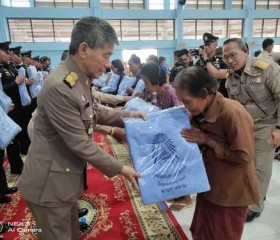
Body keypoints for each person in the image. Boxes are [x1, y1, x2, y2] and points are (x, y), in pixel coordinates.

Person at [18, 16, 144, 240]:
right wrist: (121, 168)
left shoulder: (78, 78)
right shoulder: (60, 86)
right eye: (105, 55)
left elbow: (95, 112)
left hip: (62, 181)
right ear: (84, 49)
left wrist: (133, 115)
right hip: (49, 187)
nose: (107, 64)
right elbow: (79, 141)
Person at [174, 66, 259, 240]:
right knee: (202, 231)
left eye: (187, 102)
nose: (186, 108)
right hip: (210, 184)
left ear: (204, 93)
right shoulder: (202, 111)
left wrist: (208, 141)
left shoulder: (232, 112)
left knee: (222, 234)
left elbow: (244, 156)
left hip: (231, 190)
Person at [223, 38, 280, 222]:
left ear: (245, 51)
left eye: (233, 55)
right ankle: (255, 194)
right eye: (226, 57)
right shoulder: (230, 78)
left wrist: (278, 128)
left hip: (267, 124)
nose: (230, 60)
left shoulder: (266, 68)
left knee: (260, 168)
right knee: (245, 165)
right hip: (246, 126)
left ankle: (255, 206)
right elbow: (235, 106)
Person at [0, 41, 25, 174]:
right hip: (6, 110)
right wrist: (15, 83)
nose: (8, 54)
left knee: (15, 139)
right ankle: (16, 166)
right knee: (10, 141)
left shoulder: (8, 67)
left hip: (15, 106)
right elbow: (2, 89)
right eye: (5, 51)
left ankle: (18, 164)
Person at [198, 32, 229, 98]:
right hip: (205, 96)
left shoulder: (222, 61)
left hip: (220, 95)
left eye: (208, 45)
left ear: (215, 45)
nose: (206, 47)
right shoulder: (200, 62)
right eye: (205, 45)